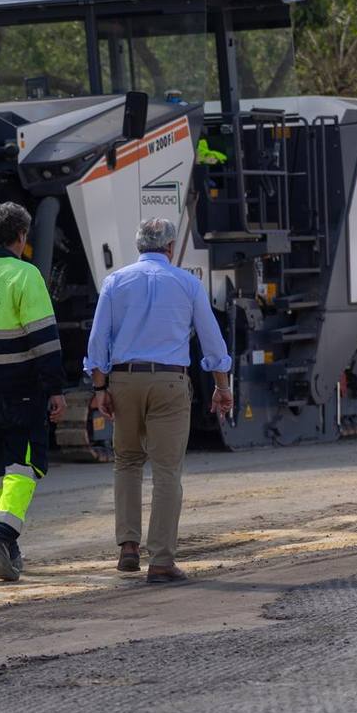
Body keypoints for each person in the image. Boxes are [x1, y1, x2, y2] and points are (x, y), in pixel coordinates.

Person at [85, 217, 234, 584]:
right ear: (170, 248)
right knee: (167, 471)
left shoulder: (115, 282)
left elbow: (97, 338)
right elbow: (212, 341)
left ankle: (128, 548)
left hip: (123, 380)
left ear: (139, 246)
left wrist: (101, 387)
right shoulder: (187, 283)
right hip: (170, 382)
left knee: (127, 462)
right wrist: (221, 385)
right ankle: (162, 560)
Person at [0, 202, 67, 581]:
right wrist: (55, 388)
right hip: (20, 388)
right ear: (22, 237)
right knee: (25, 464)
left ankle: (6, 545)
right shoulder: (26, 275)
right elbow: (43, 338)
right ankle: (1, 535)